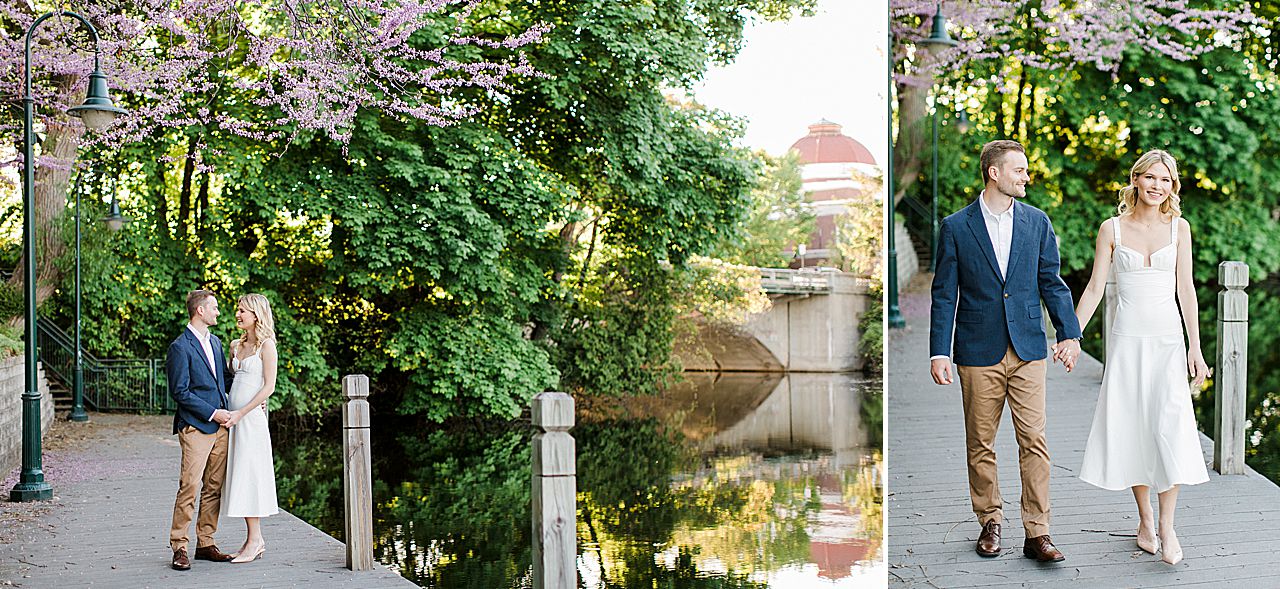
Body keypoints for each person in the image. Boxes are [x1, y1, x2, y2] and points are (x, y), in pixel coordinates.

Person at [929, 139, 1083, 562]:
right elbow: (944, 295)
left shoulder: (1037, 222)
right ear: (994, 172)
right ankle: (990, 522)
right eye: (1020, 170)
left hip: (1030, 348)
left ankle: (1038, 533)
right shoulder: (956, 227)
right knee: (980, 442)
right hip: (976, 350)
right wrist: (938, 350)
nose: (1026, 177)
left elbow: (1052, 282)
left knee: (1034, 440)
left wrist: (1069, 334)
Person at [1072, 149, 1209, 565]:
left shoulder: (1179, 228)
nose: (1156, 186)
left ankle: (1168, 526)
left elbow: (1186, 291)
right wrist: (1071, 336)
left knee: (1170, 429)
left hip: (1168, 343)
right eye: (1150, 177)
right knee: (1135, 431)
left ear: (1173, 186)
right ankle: (1145, 520)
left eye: (1165, 180)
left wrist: (1195, 347)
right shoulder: (1111, 229)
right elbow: (1095, 288)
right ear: (1136, 180)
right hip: (1128, 343)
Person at [167, 290, 236, 570]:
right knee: (190, 487)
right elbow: (180, 392)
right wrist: (212, 413)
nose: (218, 312)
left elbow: (226, 381)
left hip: (222, 428)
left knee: (214, 488)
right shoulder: (180, 347)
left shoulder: (217, 343)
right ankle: (179, 546)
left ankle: (206, 543)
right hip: (197, 426)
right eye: (214, 308)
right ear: (200, 311)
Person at [219, 293, 281, 563]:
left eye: (242, 310)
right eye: (238, 309)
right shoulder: (235, 345)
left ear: (256, 314)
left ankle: (255, 540)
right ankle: (252, 539)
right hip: (232, 420)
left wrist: (242, 412)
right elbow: (229, 382)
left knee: (250, 475)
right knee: (239, 476)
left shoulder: (267, 346)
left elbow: (269, 386)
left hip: (250, 421)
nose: (237, 314)